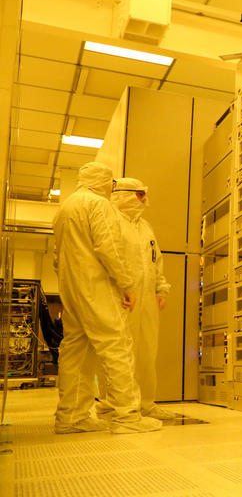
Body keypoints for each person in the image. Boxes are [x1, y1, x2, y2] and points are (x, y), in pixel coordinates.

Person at [52, 162, 162, 434]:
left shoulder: (65, 208)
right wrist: (126, 284)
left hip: (72, 288)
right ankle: (127, 416)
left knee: (76, 352)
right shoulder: (98, 205)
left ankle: (70, 417)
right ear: (103, 182)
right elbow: (108, 248)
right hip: (96, 287)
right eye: (110, 183)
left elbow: (57, 256)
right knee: (118, 348)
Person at [101, 177, 176, 420]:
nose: (144, 200)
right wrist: (122, 288)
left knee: (147, 351)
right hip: (121, 297)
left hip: (147, 300)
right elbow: (109, 259)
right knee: (121, 351)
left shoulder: (145, 227)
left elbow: (156, 261)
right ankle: (117, 404)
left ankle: (146, 402)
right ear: (122, 194)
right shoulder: (111, 222)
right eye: (139, 194)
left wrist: (160, 289)